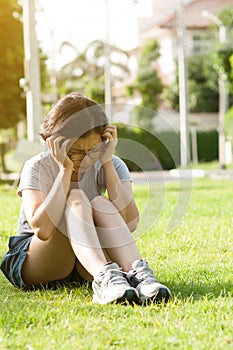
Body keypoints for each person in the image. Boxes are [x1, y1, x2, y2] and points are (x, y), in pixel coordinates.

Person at [0, 92, 172, 305]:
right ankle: (104, 279)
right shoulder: (37, 166)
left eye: (92, 150)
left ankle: (138, 275)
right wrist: (65, 169)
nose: (84, 159)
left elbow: (129, 222)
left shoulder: (110, 163)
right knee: (76, 197)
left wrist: (107, 162)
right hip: (41, 260)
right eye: (75, 151)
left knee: (100, 203)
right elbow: (42, 230)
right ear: (54, 142)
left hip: (88, 261)